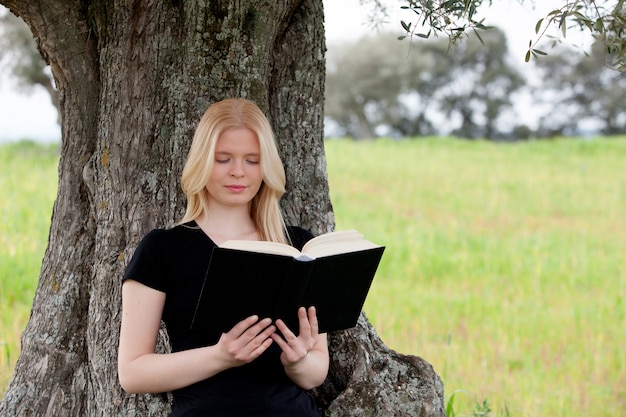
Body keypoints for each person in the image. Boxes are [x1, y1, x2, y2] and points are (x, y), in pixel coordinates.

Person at [118, 98, 329, 416]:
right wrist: (220, 356)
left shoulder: (300, 248)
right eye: (223, 159)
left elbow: (316, 371)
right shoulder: (162, 249)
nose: (238, 172)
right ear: (202, 161)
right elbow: (132, 373)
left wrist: (298, 360)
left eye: (252, 160)